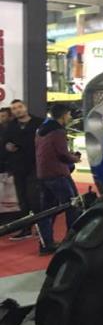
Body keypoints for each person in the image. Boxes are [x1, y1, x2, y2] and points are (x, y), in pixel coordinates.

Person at [35, 103, 81, 255]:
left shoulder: (41, 130)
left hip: (44, 174)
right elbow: (62, 154)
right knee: (73, 205)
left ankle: (45, 243)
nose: (70, 117)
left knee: (47, 211)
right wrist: (75, 158)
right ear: (63, 115)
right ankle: (72, 241)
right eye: (68, 114)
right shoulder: (58, 131)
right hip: (58, 174)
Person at [4, 100, 43, 240]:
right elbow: (5, 142)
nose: (18, 110)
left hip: (35, 165)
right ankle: (26, 228)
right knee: (22, 199)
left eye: (19, 107)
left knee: (34, 197)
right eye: (14, 108)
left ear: (25, 107)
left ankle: (42, 227)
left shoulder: (39, 123)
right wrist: (7, 147)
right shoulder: (10, 126)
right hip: (18, 167)